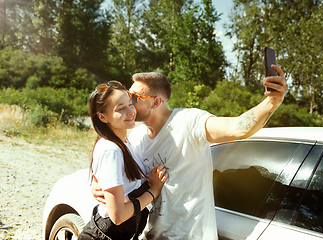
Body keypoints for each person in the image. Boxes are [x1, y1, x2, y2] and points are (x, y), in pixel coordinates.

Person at [92, 65, 288, 239]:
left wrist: (272, 102)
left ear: (156, 102)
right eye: (127, 94)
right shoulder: (136, 137)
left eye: (134, 97)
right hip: (151, 234)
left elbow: (238, 128)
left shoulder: (189, 121)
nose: (129, 102)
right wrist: (97, 187)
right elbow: (119, 175)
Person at [78, 80, 168, 240]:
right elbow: (118, 215)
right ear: (102, 117)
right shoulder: (110, 149)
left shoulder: (125, 142)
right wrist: (153, 191)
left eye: (130, 104)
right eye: (121, 108)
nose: (130, 111)